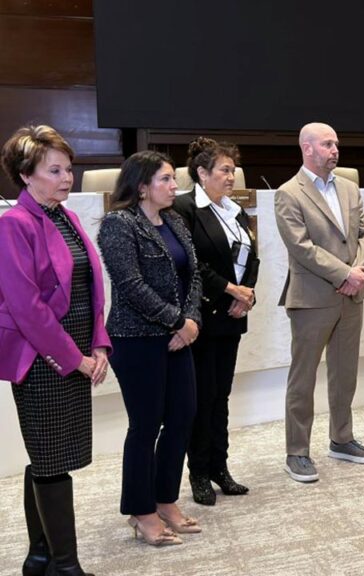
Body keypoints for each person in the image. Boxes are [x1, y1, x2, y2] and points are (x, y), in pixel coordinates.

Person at [1, 125, 111, 576]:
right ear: (26, 175)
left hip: (77, 354)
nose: (67, 178)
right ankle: (66, 566)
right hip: (43, 361)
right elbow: (26, 307)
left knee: (48, 457)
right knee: (52, 461)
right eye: (55, 171)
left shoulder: (66, 217)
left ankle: (40, 557)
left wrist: (99, 344)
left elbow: (91, 288)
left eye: (68, 169)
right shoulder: (13, 224)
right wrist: (74, 358)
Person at [98, 151, 203, 546]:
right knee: (145, 425)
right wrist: (178, 322)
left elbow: (193, 277)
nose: (175, 186)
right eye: (166, 179)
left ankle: (165, 500)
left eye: (174, 178)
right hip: (136, 338)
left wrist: (191, 322)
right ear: (142, 186)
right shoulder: (118, 224)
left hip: (178, 336)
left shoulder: (175, 220)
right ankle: (141, 512)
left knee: (182, 417)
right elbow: (131, 285)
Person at [275, 122, 364, 483]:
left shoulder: (349, 187)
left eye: (336, 144)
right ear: (307, 148)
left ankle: (342, 439)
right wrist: (344, 274)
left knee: (345, 372)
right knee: (303, 378)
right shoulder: (289, 193)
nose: (335, 150)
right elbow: (301, 247)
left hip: (352, 295)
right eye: (327, 144)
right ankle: (297, 452)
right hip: (312, 298)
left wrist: (357, 272)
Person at [172, 138, 259, 505]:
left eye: (233, 170)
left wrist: (247, 293)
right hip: (203, 317)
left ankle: (220, 468)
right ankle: (199, 472)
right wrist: (230, 290)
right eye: (224, 170)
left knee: (221, 396)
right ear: (202, 173)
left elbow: (252, 256)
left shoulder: (234, 210)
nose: (231, 177)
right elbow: (191, 263)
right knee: (202, 398)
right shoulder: (184, 208)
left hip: (231, 316)